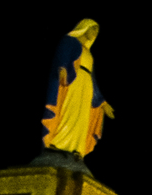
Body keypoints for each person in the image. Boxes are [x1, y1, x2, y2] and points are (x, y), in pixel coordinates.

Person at [42, 19, 115, 157]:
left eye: (97, 31)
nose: (95, 33)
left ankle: (77, 148)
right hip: (73, 80)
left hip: (86, 84)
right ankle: (58, 143)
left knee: (82, 117)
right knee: (69, 111)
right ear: (85, 27)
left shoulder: (88, 52)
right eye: (93, 29)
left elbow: (92, 78)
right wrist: (62, 68)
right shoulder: (71, 41)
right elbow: (62, 56)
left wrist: (102, 102)